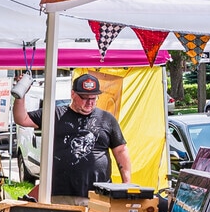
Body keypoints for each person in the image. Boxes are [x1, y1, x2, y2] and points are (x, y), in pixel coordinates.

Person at [14, 71, 129, 200]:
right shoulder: (55, 114)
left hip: (98, 195)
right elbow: (21, 119)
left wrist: (126, 184)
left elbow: (120, 150)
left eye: (94, 98)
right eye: (85, 98)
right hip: (61, 194)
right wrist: (20, 95)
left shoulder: (106, 119)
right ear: (73, 94)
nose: (90, 102)